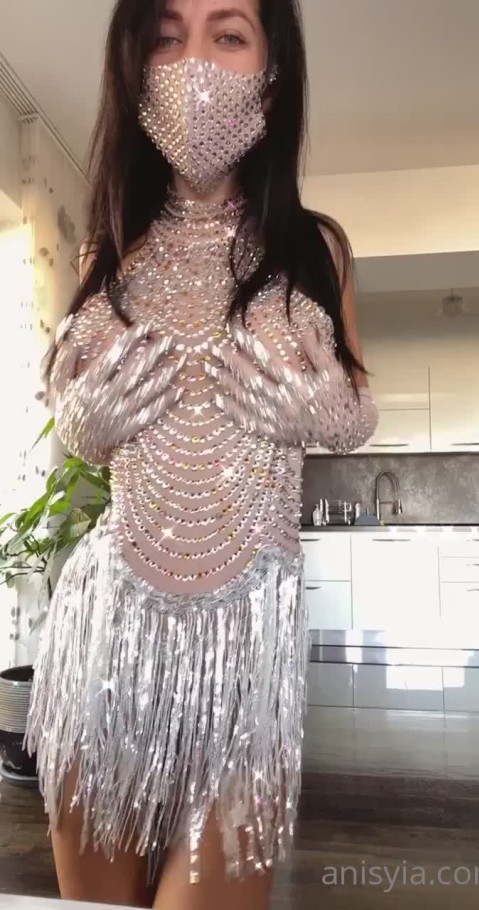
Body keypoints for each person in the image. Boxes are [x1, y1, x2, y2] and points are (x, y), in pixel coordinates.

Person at [25, 0, 378, 907]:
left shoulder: (315, 248)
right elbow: (75, 420)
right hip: (109, 639)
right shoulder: (110, 246)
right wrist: (83, 420)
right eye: (165, 37)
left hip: (243, 653)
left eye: (228, 34)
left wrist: (322, 409)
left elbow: (356, 411)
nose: (193, 63)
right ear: (134, 69)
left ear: (272, 71)